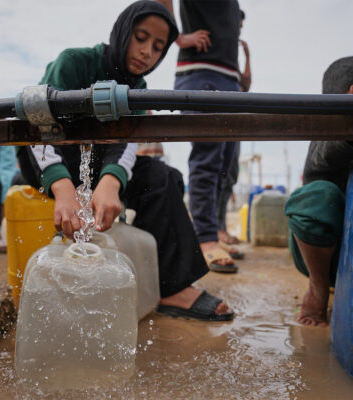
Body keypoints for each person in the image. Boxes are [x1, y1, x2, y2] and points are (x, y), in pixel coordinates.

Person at [18, 0, 234, 322]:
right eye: (141, 37)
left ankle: (170, 287)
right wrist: (62, 188)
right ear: (122, 32)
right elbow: (38, 126)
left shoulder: (139, 86)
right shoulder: (73, 62)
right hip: (51, 159)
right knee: (38, 145)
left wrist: (111, 182)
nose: (148, 52)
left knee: (165, 178)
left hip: (100, 163)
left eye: (159, 47)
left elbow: (128, 141)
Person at [159, 0, 242, 273]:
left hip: (230, 78)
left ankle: (215, 229)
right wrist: (177, 36)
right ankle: (205, 238)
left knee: (226, 164)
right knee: (207, 160)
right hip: (201, 72)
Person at [285, 56, 353, 326]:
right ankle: (318, 286)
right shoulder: (326, 133)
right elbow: (326, 155)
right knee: (317, 198)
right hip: (326, 252)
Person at [216, 9, 251, 248]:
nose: (238, 29)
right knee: (216, 175)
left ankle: (221, 227)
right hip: (219, 122)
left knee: (229, 176)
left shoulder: (233, 54)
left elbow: (245, 86)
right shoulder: (218, 48)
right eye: (236, 24)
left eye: (240, 26)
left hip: (234, 123)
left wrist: (247, 54)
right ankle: (216, 229)